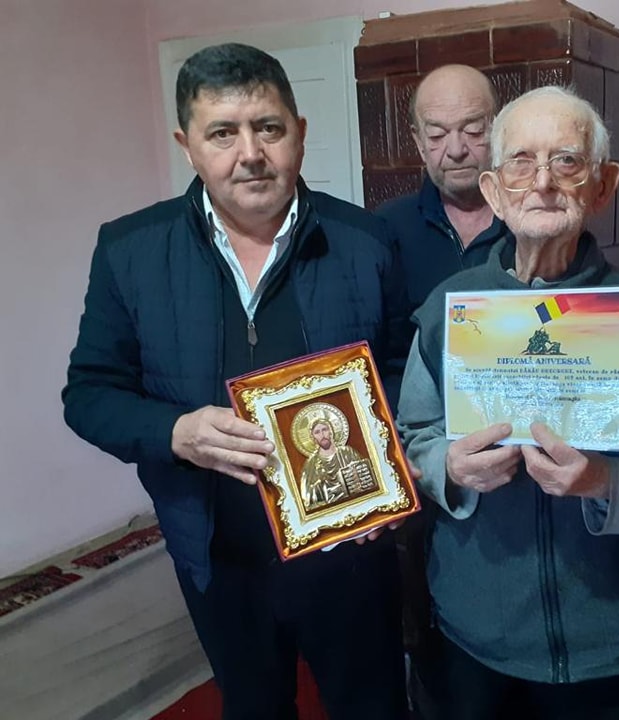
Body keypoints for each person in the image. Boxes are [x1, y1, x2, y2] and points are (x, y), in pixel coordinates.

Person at [62, 43, 410, 719]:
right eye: (222, 133)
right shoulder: (129, 251)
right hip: (216, 555)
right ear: (187, 146)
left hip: (350, 550)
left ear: (298, 133)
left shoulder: (365, 240)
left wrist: (385, 462)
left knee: (372, 706)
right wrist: (175, 432)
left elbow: (400, 368)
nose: (250, 153)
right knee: (253, 707)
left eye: (268, 128)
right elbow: (90, 394)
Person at [396, 86, 619, 720]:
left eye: (566, 161)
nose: (542, 183)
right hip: (475, 633)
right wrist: (449, 467)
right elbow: (411, 440)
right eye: (521, 162)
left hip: (612, 641)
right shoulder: (446, 310)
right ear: (493, 191)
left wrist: (604, 481)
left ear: (603, 185)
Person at [375, 64, 512, 311]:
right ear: (419, 142)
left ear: (497, 130)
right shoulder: (388, 226)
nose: (456, 150)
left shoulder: (528, 219)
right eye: (437, 135)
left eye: (473, 130)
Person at [298, 412, 376, 508]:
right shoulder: (311, 464)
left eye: (324, 429)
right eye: (317, 432)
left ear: (331, 431)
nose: (322, 434)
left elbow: (366, 477)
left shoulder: (347, 452)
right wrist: (322, 485)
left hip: (359, 504)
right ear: (313, 438)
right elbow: (307, 497)